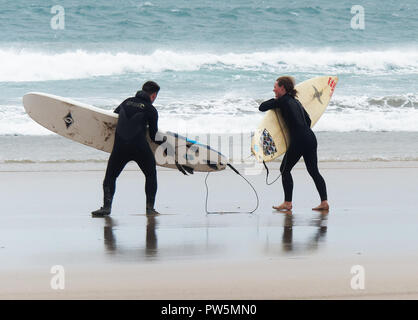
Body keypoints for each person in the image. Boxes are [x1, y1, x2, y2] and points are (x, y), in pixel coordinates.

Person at [259, 76, 329, 211]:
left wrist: (276, 100)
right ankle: (324, 202)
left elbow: (262, 107)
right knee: (314, 171)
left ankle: (287, 203)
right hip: (310, 138)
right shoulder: (296, 102)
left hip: (299, 140)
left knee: (284, 170)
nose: (273, 89)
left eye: (275, 87)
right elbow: (308, 121)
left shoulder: (282, 101)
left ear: (282, 88)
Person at [92, 81, 161, 217]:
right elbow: (153, 136)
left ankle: (106, 208)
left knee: (110, 177)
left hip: (120, 147)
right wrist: (165, 142)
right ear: (153, 96)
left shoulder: (126, 102)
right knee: (150, 174)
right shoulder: (150, 109)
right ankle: (150, 209)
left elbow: (113, 117)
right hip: (140, 147)